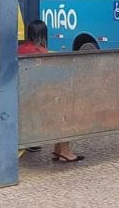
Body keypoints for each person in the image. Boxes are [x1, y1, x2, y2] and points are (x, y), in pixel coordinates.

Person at [19, 20, 84, 162]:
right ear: (44, 35)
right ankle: (64, 151)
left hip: (22, 99)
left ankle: (58, 151)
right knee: (67, 111)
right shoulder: (41, 52)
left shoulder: (21, 49)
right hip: (36, 103)